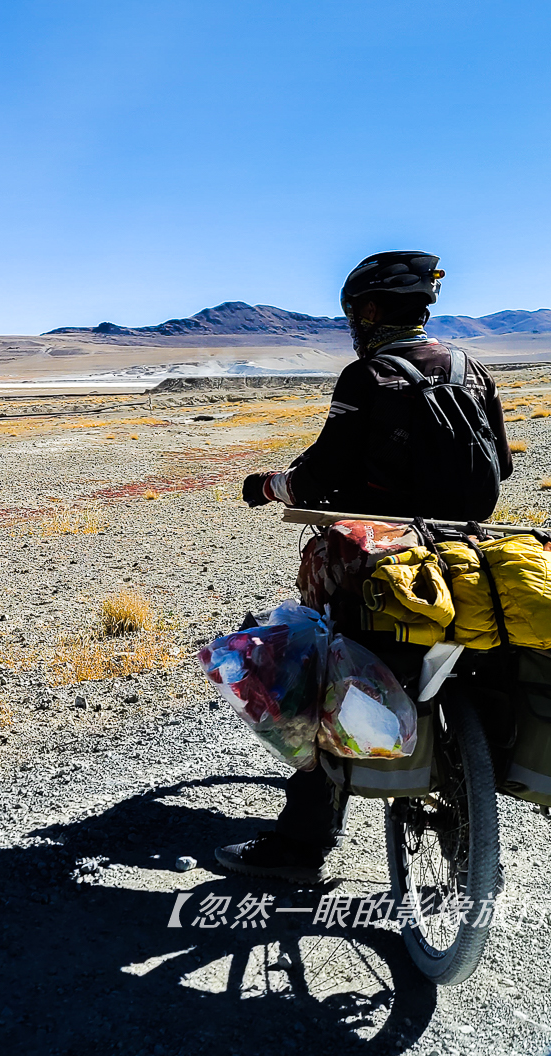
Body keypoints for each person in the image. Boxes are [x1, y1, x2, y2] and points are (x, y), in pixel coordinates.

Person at [215, 250, 514, 883]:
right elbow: (501, 469)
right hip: (463, 551)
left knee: (317, 671)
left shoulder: (367, 375)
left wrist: (269, 486)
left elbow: (322, 476)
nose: (353, 322)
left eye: (354, 311)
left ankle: (301, 845)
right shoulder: (471, 366)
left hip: (383, 557)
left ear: (372, 310)